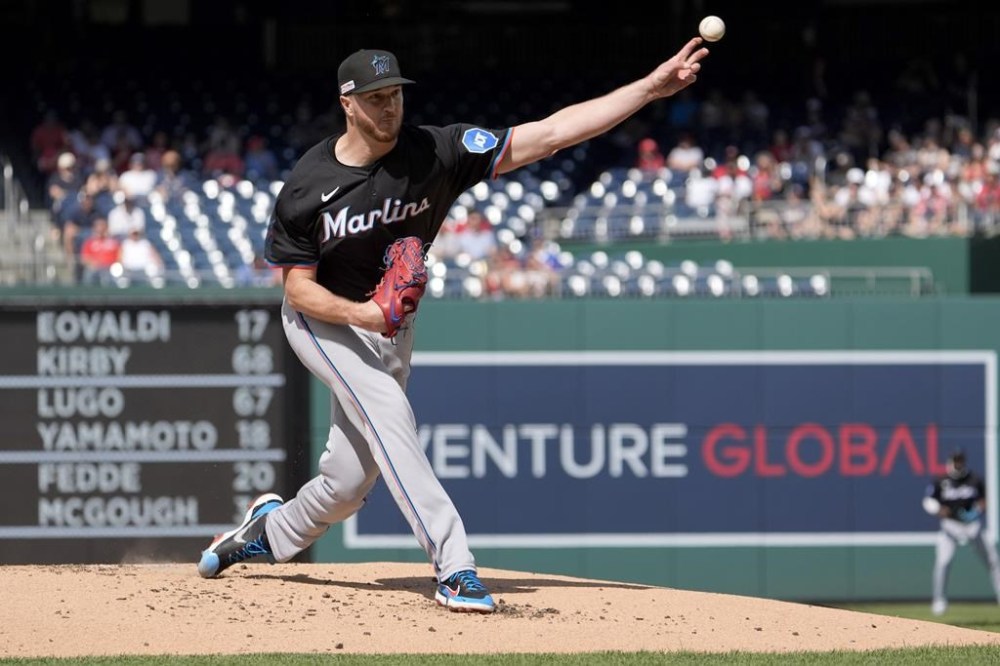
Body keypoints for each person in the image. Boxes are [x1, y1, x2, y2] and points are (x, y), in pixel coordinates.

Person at [197, 41, 710, 613]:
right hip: (325, 318)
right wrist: (363, 314)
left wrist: (648, 87)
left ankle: (267, 531)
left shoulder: (437, 150)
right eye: (375, 98)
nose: (390, 108)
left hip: (392, 326)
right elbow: (296, 288)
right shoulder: (307, 183)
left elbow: (550, 134)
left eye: (395, 95)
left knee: (346, 486)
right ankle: (454, 567)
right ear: (347, 103)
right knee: (389, 413)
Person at [923, 449, 1000, 616]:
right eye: (956, 460)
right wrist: (939, 509)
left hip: (972, 525)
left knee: (994, 560)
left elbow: (984, 499)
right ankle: (939, 600)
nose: (958, 463)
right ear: (951, 461)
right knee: (943, 562)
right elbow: (929, 501)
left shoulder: (974, 479)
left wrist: (977, 509)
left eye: (961, 460)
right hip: (950, 526)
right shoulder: (942, 480)